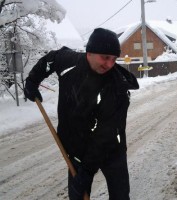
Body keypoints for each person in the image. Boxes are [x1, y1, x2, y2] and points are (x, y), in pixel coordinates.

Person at [24, 28, 139, 200]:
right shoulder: (69, 61)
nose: (110, 64)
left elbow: (105, 135)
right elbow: (51, 59)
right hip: (76, 147)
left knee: (120, 195)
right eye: (105, 57)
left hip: (112, 148)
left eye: (114, 59)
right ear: (90, 53)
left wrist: (86, 172)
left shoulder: (117, 88)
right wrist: (32, 80)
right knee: (77, 196)